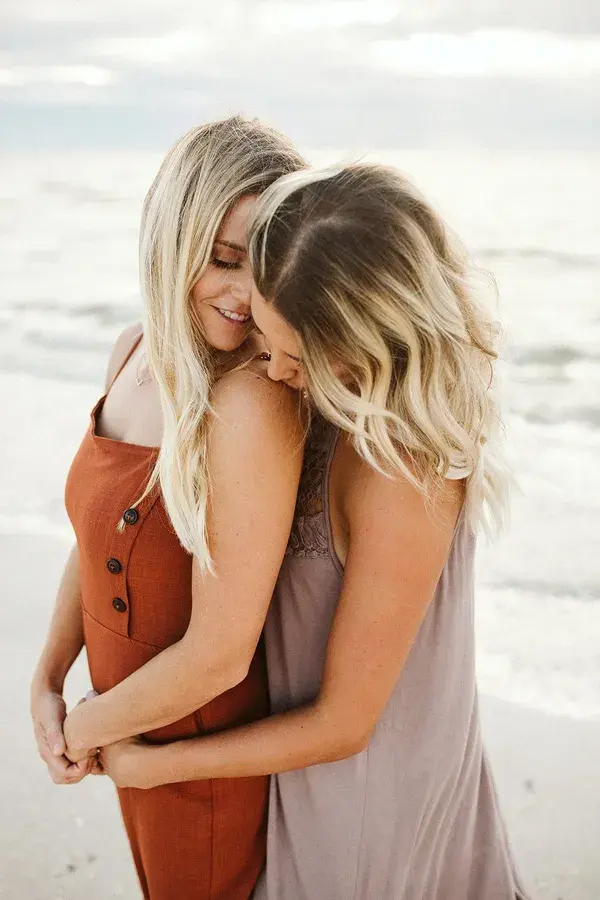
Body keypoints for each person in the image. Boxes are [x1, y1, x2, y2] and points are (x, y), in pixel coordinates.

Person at [99, 163, 530, 899]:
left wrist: (150, 763)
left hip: (365, 797)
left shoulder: (400, 467)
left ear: (358, 339)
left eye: (292, 356)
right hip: (305, 773)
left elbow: (343, 726)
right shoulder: (332, 399)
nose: (271, 368)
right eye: (267, 341)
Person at [30, 116, 306, 900]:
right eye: (223, 260)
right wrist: (48, 679)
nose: (247, 296)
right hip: (125, 735)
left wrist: (87, 727)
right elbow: (94, 539)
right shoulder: (132, 349)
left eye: (267, 268)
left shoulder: (252, 398)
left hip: (199, 757)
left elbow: (222, 654)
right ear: (172, 234)